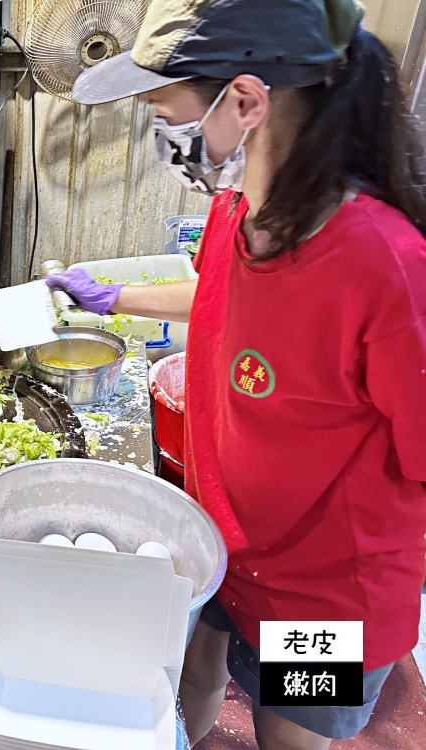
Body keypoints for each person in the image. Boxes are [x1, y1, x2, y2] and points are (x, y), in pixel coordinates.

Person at [48, 1, 426, 748]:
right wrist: (115, 296)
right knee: (190, 678)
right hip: (220, 544)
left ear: (246, 101)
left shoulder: (387, 268)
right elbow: (221, 292)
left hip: (323, 602)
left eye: (162, 107)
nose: (157, 128)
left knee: (282, 730)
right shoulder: (239, 209)